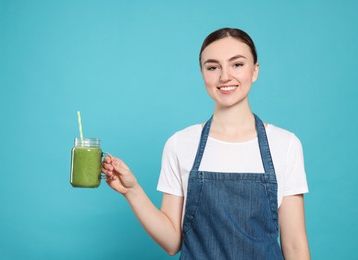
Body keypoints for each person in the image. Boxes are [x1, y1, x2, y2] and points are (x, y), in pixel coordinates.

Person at [102, 28, 310, 259]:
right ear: (202, 74)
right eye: (213, 67)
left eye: (237, 64)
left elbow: (294, 246)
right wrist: (133, 192)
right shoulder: (180, 144)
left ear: (255, 71)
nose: (224, 76)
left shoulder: (285, 144)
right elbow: (172, 242)